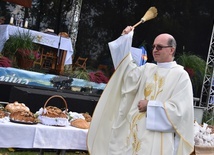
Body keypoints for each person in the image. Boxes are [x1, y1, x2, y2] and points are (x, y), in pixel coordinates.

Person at [87, 26, 194, 155]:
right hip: (133, 131)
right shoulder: (147, 69)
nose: (154, 50)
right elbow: (125, 71)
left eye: (159, 47)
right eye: (153, 47)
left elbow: (180, 112)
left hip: (156, 137)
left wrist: (150, 105)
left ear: (171, 50)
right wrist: (125, 39)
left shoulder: (180, 76)